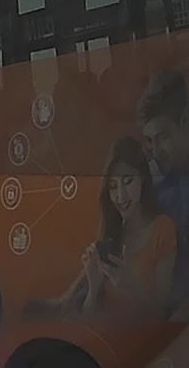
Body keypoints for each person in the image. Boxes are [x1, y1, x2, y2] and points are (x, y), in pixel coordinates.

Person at [25, 137, 177, 324]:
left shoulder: (163, 229)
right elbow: (91, 318)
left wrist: (131, 284)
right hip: (102, 332)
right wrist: (93, 288)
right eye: (113, 187)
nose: (120, 196)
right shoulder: (112, 234)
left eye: (128, 181)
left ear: (143, 179)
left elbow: (161, 315)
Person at [138, 71, 189, 318]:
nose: (156, 152)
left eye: (163, 137)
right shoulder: (150, 181)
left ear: (186, 122)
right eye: (150, 141)